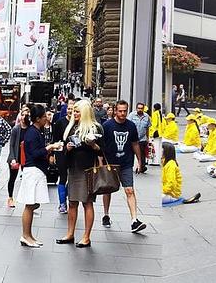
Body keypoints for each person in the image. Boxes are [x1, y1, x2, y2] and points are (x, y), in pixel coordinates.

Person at [57, 99, 103, 247]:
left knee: (87, 203)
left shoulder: (95, 128)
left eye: (77, 111)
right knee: (72, 202)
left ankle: (86, 237)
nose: (74, 114)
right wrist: (67, 148)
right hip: (73, 168)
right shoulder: (71, 127)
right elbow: (64, 148)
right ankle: (70, 233)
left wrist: (93, 145)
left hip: (88, 169)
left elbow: (102, 151)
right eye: (74, 111)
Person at [101, 100, 148, 233]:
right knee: (107, 190)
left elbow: (135, 144)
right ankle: (106, 214)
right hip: (110, 163)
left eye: (125, 111)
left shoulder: (131, 126)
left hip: (126, 163)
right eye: (120, 111)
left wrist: (140, 161)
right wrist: (101, 162)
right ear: (115, 111)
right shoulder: (107, 126)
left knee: (129, 190)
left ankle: (134, 220)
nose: (122, 113)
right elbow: (102, 145)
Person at [18, 104, 58, 247]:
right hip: (33, 170)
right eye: (44, 116)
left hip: (37, 170)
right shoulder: (32, 133)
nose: (46, 118)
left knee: (33, 203)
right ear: (37, 119)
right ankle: (25, 235)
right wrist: (49, 148)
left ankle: (29, 235)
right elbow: (35, 153)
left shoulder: (35, 131)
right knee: (30, 205)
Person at [6, 108, 29, 208]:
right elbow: (11, 145)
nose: (24, 117)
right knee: (12, 178)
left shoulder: (30, 129)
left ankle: (27, 199)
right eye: (22, 115)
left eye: (26, 115)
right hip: (16, 155)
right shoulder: (16, 129)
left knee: (28, 178)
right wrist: (12, 158)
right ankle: (10, 198)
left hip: (26, 157)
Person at [128, 102, 152, 173]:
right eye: (138, 108)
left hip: (142, 138)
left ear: (143, 109)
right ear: (136, 108)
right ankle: (129, 166)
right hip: (132, 138)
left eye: (141, 108)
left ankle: (141, 167)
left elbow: (147, 128)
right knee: (131, 153)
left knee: (142, 154)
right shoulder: (131, 115)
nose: (140, 110)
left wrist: (147, 138)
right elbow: (127, 125)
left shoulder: (146, 116)